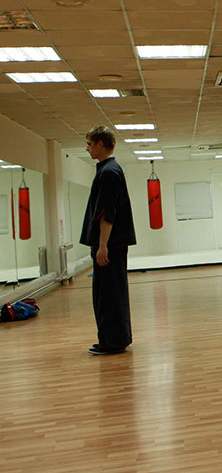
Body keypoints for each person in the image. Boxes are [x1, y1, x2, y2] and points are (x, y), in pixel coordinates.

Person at [80, 125, 136, 355]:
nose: (87, 148)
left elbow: (107, 213)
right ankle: (113, 338)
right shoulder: (107, 170)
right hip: (111, 244)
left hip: (110, 245)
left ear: (100, 144)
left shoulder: (109, 172)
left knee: (109, 295)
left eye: (89, 144)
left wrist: (103, 246)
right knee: (109, 293)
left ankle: (113, 341)